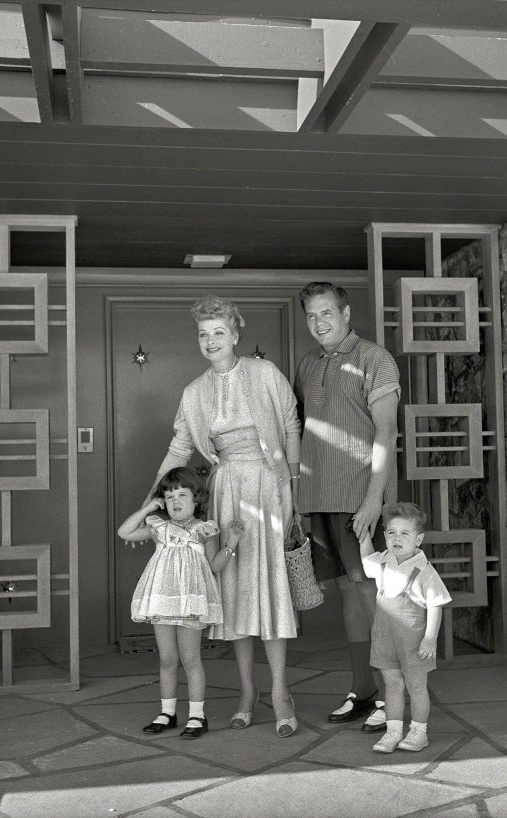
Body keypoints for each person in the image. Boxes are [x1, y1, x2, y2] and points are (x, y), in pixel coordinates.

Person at [145, 296, 301, 738]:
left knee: (268, 589)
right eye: (203, 333)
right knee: (233, 591)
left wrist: (293, 489)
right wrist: (152, 500)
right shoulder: (194, 393)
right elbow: (179, 447)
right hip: (226, 492)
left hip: (269, 489)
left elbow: (291, 426)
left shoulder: (265, 373)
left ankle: (282, 692)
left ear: (236, 334)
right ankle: (248, 692)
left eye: (219, 332)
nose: (211, 341)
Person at [294, 282, 400, 733]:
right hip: (319, 498)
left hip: (359, 499)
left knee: (371, 592)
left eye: (327, 313)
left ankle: (390, 696)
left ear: (345, 311)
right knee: (347, 591)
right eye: (312, 316)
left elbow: (386, 432)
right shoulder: (307, 364)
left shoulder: (375, 359)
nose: (320, 323)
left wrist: (375, 497)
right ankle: (363, 691)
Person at [118, 466, 237, 739]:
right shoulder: (159, 528)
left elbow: (215, 565)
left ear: (196, 499)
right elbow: (125, 532)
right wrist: (148, 507)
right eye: (170, 497)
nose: (176, 502)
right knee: (167, 658)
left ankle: (197, 716)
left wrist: (233, 542)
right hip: (163, 601)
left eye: (182, 495)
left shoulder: (204, 530)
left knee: (191, 658)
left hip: (190, 603)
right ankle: (167, 712)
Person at [359, 502, 451, 753]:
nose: (396, 538)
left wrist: (430, 638)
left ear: (419, 539)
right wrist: (364, 537)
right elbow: (367, 561)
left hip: (414, 642)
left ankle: (419, 732)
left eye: (405, 533)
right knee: (392, 684)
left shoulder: (423, 570)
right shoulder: (385, 561)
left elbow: (436, 604)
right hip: (385, 639)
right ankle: (393, 731)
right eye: (391, 533)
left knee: (416, 686)